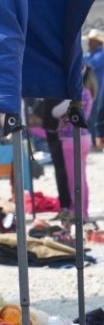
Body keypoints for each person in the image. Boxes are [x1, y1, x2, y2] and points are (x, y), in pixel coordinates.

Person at [53, 67, 95, 224]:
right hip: (84, 137)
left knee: (74, 180)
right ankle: (83, 211)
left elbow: (56, 113)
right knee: (81, 178)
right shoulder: (87, 92)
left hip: (71, 141)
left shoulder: (74, 95)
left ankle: (77, 211)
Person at [84, 29, 104, 148]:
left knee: (95, 116)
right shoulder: (89, 54)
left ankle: (95, 140)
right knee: (90, 115)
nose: (89, 43)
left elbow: (90, 63)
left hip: (98, 91)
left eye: (91, 41)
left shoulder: (101, 54)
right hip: (91, 91)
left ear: (98, 42)